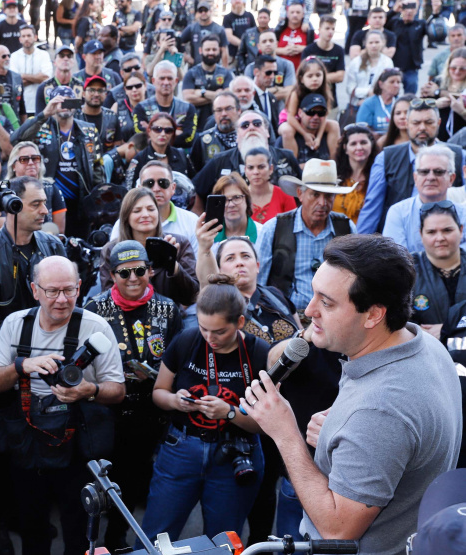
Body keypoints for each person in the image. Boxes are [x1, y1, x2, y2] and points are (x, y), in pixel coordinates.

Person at [245, 234, 462, 554]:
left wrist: (285, 433)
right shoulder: (421, 343)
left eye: (327, 302)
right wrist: (343, 430)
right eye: (314, 294)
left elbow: (337, 530)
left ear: (374, 314)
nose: (309, 310)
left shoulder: (380, 412)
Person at [0, 255, 125, 555]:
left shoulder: (95, 328)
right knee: (31, 525)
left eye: (69, 290)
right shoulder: (16, 324)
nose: (62, 300)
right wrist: (23, 366)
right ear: (34, 290)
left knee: (78, 526)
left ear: (79, 287)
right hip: (27, 440)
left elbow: (117, 391)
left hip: (76, 442)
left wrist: (88, 390)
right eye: (52, 291)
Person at [139, 273, 269, 544]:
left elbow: (268, 424)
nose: (210, 337)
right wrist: (176, 401)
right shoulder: (187, 340)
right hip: (181, 449)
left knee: (222, 543)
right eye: (203, 328)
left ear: (240, 322)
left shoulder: (259, 353)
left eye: (220, 331)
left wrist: (229, 412)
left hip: (235, 454)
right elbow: (159, 393)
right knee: (155, 538)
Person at [83, 240, 182, 550]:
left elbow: (177, 358)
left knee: (138, 475)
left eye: (140, 270)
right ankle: (97, 535)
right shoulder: (94, 308)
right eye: (124, 273)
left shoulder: (168, 308)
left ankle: (121, 534)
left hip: (151, 411)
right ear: (112, 275)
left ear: (150, 271)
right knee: (103, 478)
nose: (133, 279)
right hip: (106, 409)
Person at [0, 176, 66, 366]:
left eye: (44, 203)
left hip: (54, 354)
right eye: (35, 204)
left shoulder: (52, 245)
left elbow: (68, 300)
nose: (45, 211)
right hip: (4, 363)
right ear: (13, 206)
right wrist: (33, 353)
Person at [258, 159, 356, 312]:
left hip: (333, 318)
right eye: (315, 195)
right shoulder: (273, 228)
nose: (322, 202)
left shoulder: (346, 227)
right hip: (286, 317)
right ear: (300, 194)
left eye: (329, 196)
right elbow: (259, 284)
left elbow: (355, 279)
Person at [358, 99, 466, 234]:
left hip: (447, 237)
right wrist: (359, 248)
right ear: (407, 124)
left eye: (428, 122)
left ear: (438, 123)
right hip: (397, 236)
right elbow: (372, 208)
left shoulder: (459, 156)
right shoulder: (386, 157)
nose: (422, 128)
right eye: (416, 123)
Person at [12, 86, 103, 238]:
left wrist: (97, 202)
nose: (64, 106)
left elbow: (98, 167)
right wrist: (44, 114)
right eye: (59, 102)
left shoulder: (89, 130)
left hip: (80, 202)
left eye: (69, 102)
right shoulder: (40, 126)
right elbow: (16, 139)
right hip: (49, 200)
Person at [102, 178, 200, 306]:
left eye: (151, 209)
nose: (145, 215)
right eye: (137, 211)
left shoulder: (178, 242)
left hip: (170, 319)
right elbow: (107, 299)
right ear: (126, 217)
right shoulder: (111, 250)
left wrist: (173, 265)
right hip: (125, 320)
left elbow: (192, 296)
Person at [192, 110, 302, 210]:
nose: (251, 128)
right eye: (245, 126)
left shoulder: (286, 157)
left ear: (267, 131)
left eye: (257, 124)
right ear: (237, 135)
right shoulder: (219, 161)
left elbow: (303, 190)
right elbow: (196, 190)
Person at [384, 145, 466, 254]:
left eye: (438, 171)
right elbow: (396, 260)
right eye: (424, 172)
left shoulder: (463, 214)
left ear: (451, 179)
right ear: (415, 178)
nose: (431, 177)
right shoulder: (398, 213)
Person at [411, 201, 466, 343]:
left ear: (460, 230)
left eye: (447, 230)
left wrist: (447, 329)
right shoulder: (406, 271)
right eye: (431, 232)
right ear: (421, 234)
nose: (440, 238)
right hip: (425, 355)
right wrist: (414, 331)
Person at [133, 61, 198, 150]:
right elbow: (141, 138)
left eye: (170, 78)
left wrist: (152, 131)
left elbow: (189, 139)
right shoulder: (141, 108)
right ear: (153, 81)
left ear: (176, 81)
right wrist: (176, 133)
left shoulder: (188, 108)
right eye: (162, 78)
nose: (166, 82)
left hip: (179, 160)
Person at [6, 142, 68, 232]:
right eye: (24, 159)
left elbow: (59, 231)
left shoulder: (52, 188)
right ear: (14, 166)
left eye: (35, 158)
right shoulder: (5, 190)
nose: (31, 163)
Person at [181, 35, 234, 129]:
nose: (211, 52)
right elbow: (188, 98)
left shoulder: (226, 74)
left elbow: (228, 98)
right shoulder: (191, 73)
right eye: (208, 49)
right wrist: (217, 95)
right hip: (195, 125)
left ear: (219, 50)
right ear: (201, 51)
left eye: (214, 49)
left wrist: (202, 92)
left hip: (221, 125)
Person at [126, 111, 191, 184]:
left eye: (168, 130)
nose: (163, 134)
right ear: (149, 131)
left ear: (173, 133)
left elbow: (191, 185)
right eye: (157, 129)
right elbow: (130, 190)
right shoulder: (138, 159)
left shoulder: (182, 155)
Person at [332, 124, 378, 224]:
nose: (359, 147)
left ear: (371, 144)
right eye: (353, 144)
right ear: (345, 148)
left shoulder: (378, 177)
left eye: (363, 142)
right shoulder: (334, 176)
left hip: (367, 237)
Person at [275, 93, 337, 166]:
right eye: (310, 112)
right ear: (300, 113)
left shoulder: (329, 136)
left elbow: (338, 166)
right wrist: (316, 166)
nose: (316, 117)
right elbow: (281, 170)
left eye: (321, 113)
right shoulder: (286, 139)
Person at [242, 146, 296, 224]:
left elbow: (292, 226)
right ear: (245, 170)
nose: (256, 172)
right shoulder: (239, 197)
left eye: (261, 167)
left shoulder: (285, 195)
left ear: (271, 169)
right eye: (250, 168)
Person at [344, 31, 394, 113]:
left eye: (377, 42)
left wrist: (374, 96)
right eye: (370, 43)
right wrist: (368, 92)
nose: (374, 45)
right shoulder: (356, 62)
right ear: (365, 44)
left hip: (380, 104)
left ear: (383, 43)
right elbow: (350, 88)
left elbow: (389, 86)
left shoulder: (388, 62)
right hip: (358, 104)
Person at [243, 30, 297, 107]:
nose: (268, 44)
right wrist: (278, 89)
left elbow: (290, 91)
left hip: (281, 110)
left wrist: (263, 93)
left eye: (271, 41)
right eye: (264, 41)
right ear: (259, 46)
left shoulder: (287, 65)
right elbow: (250, 93)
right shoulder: (251, 68)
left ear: (277, 44)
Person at [10, 25, 53, 117]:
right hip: (21, 107)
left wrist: (22, 76)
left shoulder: (44, 55)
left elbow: (46, 78)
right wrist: (37, 78)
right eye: (23, 36)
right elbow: (14, 82)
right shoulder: (14, 56)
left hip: (40, 105)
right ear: (20, 39)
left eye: (29, 36)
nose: (26, 39)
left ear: (35, 37)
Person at [190, 92, 239, 170]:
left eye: (228, 108)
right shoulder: (203, 141)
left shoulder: (248, 137)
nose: (224, 114)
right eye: (219, 110)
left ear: (238, 111)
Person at [74, 75, 121, 156]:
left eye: (100, 91)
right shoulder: (75, 116)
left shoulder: (112, 117)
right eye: (91, 90)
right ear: (83, 94)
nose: (96, 94)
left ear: (105, 94)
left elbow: (118, 146)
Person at [389, 1, 428, 94]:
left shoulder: (420, 24)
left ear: (416, 11)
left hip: (411, 67)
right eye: (406, 10)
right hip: (394, 66)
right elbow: (382, 22)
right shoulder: (394, 23)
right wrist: (393, 11)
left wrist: (435, 13)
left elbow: (433, 32)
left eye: (412, 10)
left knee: (410, 94)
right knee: (390, 94)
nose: (408, 12)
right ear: (401, 11)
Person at [33, 44, 82, 116]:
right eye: (62, 56)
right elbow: (39, 117)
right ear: (54, 62)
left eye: (69, 56)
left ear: (74, 62)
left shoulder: (80, 86)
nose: (66, 59)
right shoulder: (44, 87)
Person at [179, 0, 229, 67]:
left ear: (210, 11)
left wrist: (225, 69)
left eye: (205, 10)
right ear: (197, 13)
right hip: (196, 67)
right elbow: (179, 42)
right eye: (200, 11)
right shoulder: (192, 28)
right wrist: (187, 57)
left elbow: (224, 51)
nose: (203, 13)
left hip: (215, 67)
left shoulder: (219, 29)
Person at [356, 67, 402, 134]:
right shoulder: (369, 104)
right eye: (392, 82)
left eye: (398, 82)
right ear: (381, 84)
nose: (396, 85)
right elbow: (361, 130)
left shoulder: (401, 103)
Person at [274, 1, 313, 71]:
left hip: (302, 73)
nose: (295, 15)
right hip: (280, 73)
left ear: (303, 14)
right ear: (287, 14)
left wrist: (304, 49)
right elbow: (263, 50)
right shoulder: (279, 30)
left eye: (298, 12)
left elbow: (319, 49)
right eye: (292, 12)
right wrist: (282, 51)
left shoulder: (309, 32)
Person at [114, 69, 147, 144]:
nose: (134, 90)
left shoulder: (153, 105)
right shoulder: (117, 107)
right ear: (125, 90)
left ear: (145, 86)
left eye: (138, 86)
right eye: (130, 87)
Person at [235, 7, 270, 75]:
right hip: (251, 69)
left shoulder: (273, 34)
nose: (262, 20)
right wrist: (243, 69)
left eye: (265, 18)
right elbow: (240, 53)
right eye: (260, 17)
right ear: (257, 19)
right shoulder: (248, 33)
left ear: (269, 19)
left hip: (268, 69)